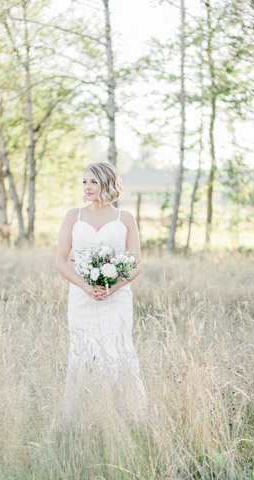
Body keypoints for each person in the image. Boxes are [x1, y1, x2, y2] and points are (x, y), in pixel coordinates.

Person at [55, 162, 150, 429]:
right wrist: (86, 287)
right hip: (82, 298)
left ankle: (128, 420)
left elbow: (137, 264)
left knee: (118, 352)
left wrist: (113, 287)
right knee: (83, 354)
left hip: (116, 299)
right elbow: (61, 261)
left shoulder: (125, 219)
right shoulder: (73, 216)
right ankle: (80, 421)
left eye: (93, 182)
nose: (87, 188)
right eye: (84, 182)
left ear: (107, 183)